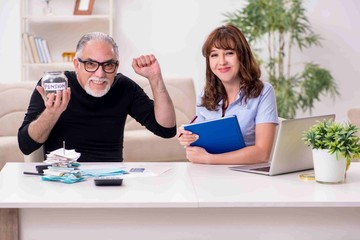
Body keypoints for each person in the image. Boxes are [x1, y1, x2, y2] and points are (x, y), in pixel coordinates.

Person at [18, 32, 177, 162]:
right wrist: (51, 113)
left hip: (110, 178)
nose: (100, 74)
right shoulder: (56, 85)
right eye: (91, 64)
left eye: (108, 65)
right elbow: (26, 145)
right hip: (63, 177)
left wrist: (155, 78)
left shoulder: (124, 87)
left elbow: (166, 129)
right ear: (76, 64)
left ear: (116, 67)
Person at [178, 24, 279, 164]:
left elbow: (262, 153)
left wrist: (209, 159)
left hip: (248, 177)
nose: (222, 62)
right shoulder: (204, 95)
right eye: (214, 55)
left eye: (229, 53)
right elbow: (200, 147)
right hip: (210, 175)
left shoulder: (263, 92)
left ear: (242, 56)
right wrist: (188, 136)